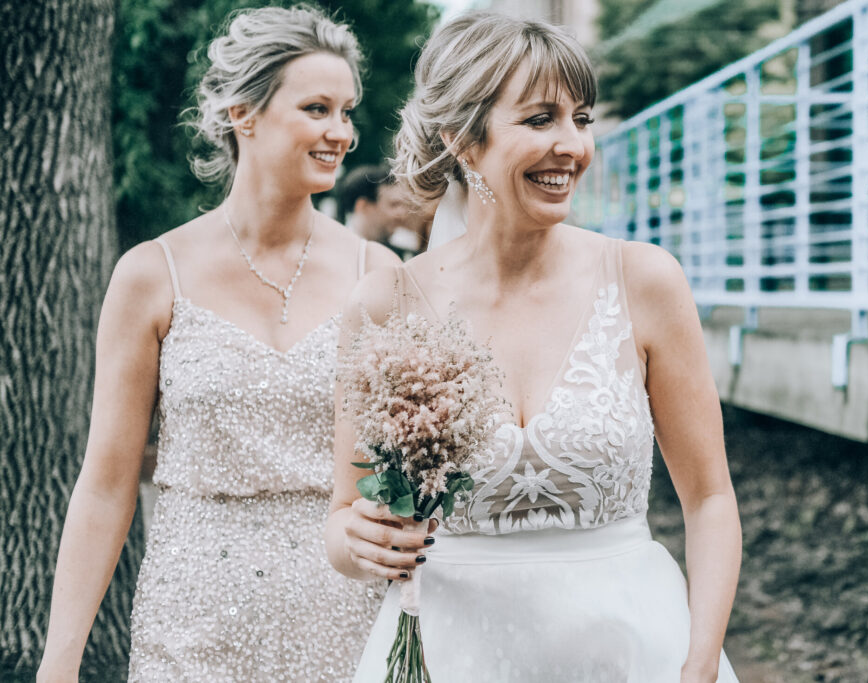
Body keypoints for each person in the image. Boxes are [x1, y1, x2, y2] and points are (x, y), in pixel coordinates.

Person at [325, 12, 742, 683]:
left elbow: (711, 499)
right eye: (541, 119)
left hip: (633, 650)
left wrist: (698, 662)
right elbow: (343, 520)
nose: (573, 145)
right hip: (453, 654)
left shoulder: (644, 280)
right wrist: (361, 539)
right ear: (463, 138)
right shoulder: (384, 304)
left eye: (583, 117)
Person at [37, 6, 396, 681]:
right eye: (317, 107)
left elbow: (399, 474)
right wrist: (60, 660)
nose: (340, 132)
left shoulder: (376, 276)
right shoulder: (151, 274)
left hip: (340, 619)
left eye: (346, 111)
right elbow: (107, 484)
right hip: (191, 624)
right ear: (243, 114)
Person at [339, 164, 419, 259]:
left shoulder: (406, 252)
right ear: (363, 206)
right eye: (394, 205)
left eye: (403, 205)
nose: (402, 213)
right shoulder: (335, 252)